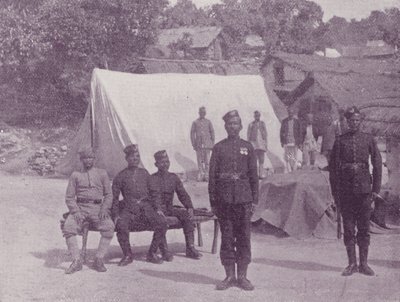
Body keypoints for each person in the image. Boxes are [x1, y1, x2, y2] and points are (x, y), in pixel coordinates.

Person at [209, 110, 258, 291]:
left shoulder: (248, 147)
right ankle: (229, 275)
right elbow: (212, 176)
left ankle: (243, 276)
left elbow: (254, 175)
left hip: (244, 200)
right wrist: (213, 202)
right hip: (225, 201)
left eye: (236, 123)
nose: (233, 127)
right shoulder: (218, 147)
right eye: (230, 124)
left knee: (244, 237)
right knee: (227, 238)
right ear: (225, 126)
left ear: (241, 126)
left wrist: (254, 200)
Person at [329, 106, 382, 276]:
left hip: (365, 191)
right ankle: (352, 264)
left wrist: (375, 189)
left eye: (357, 120)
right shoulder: (340, 141)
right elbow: (333, 170)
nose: (354, 123)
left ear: (361, 121)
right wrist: (335, 194)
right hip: (346, 191)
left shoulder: (368, 139)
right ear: (347, 121)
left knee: (364, 228)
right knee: (349, 228)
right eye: (351, 120)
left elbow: (377, 163)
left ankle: (364, 264)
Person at [112, 144, 168, 266]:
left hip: (146, 207)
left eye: (137, 156)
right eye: (132, 157)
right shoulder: (120, 176)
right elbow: (114, 198)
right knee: (121, 225)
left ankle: (152, 253)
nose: (135, 159)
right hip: (128, 208)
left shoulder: (144, 173)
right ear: (127, 159)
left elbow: (154, 193)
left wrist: (158, 208)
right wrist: (115, 214)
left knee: (162, 223)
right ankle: (127, 255)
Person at [62, 148, 114, 274]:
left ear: (94, 159)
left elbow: (108, 195)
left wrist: (104, 208)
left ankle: (99, 259)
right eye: (85, 158)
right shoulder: (75, 175)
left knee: (109, 227)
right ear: (81, 160)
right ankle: (76, 260)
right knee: (68, 227)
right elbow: (69, 197)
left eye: (91, 158)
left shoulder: (102, 174)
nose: (88, 160)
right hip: (80, 208)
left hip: (97, 209)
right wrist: (76, 212)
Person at [149, 150, 202, 261]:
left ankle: (190, 248)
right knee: (161, 221)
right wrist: (158, 208)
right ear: (156, 164)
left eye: (167, 161)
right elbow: (155, 196)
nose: (165, 164)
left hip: (168, 208)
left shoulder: (173, 177)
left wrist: (189, 207)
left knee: (186, 215)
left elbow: (182, 194)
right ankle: (165, 251)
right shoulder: (152, 178)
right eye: (162, 162)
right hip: (156, 210)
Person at [190, 106, 215, 181]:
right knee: (200, 161)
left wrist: (212, 143)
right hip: (198, 145)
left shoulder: (208, 122)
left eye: (204, 113)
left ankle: (207, 175)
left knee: (207, 161)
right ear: (199, 113)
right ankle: (201, 174)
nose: (202, 114)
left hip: (207, 145)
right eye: (201, 112)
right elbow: (192, 134)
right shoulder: (195, 122)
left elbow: (212, 132)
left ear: (205, 113)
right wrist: (193, 144)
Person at [280, 107, 302, 172]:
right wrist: (282, 141)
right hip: (287, 141)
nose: (291, 114)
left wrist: (300, 142)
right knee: (289, 155)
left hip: (295, 141)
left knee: (295, 155)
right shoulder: (284, 121)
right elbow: (281, 132)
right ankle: (290, 168)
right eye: (289, 113)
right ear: (288, 113)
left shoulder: (297, 122)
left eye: (292, 113)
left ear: (293, 113)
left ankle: (294, 169)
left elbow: (300, 132)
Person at [247, 110, 268, 178]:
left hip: (261, 143)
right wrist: (249, 144)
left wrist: (266, 143)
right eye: (256, 116)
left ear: (260, 116)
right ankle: (254, 174)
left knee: (261, 159)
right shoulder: (251, 124)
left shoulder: (262, 123)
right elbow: (248, 134)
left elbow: (265, 134)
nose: (257, 117)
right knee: (254, 159)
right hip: (254, 144)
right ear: (254, 116)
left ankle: (261, 174)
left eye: (258, 115)